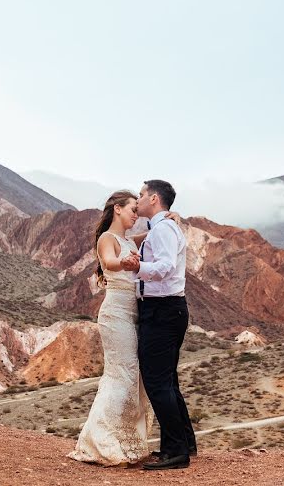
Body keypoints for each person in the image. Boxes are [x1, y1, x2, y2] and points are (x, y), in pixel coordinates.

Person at [68, 190, 154, 466]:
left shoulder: (127, 240)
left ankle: (119, 438)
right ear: (117, 209)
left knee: (131, 376)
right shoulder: (108, 239)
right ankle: (101, 441)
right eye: (132, 210)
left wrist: (165, 223)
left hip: (133, 314)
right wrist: (123, 262)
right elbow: (108, 261)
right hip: (116, 315)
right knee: (121, 376)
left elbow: (143, 238)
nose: (135, 216)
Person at [121, 179, 197, 470]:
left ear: (154, 199)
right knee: (167, 381)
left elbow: (164, 268)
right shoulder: (162, 227)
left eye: (141, 195)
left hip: (163, 311)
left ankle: (176, 451)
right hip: (167, 310)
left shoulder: (164, 229)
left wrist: (136, 267)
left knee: (156, 381)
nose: (138, 199)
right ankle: (183, 442)